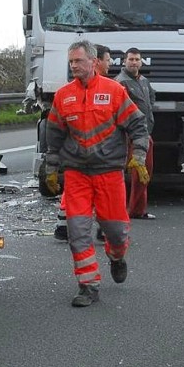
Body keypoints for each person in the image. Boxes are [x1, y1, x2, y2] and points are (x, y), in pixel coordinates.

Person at [45, 40, 149, 306]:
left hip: (109, 174)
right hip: (77, 175)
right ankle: (88, 286)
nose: (73, 66)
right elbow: (54, 134)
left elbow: (138, 125)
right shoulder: (63, 96)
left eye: (78, 61)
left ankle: (117, 256)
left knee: (115, 230)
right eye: (70, 62)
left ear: (93, 62)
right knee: (77, 231)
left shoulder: (114, 91)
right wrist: (51, 168)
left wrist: (138, 157)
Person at [53, 44, 113, 241]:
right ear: (97, 61)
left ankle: (71, 226)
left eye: (77, 61)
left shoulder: (112, 88)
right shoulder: (68, 93)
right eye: (108, 59)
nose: (110, 63)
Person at [115, 47, 156, 219]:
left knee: (144, 172)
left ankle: (137, 208)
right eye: (131, 59)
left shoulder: (144, 81)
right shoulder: (120, 82)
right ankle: (133, 210)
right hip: (131, 134)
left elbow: (151, 98)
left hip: (145, 131)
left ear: (141, 62)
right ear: (124, 61)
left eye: (137, 59)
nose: (134, 62)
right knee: (137, 173)